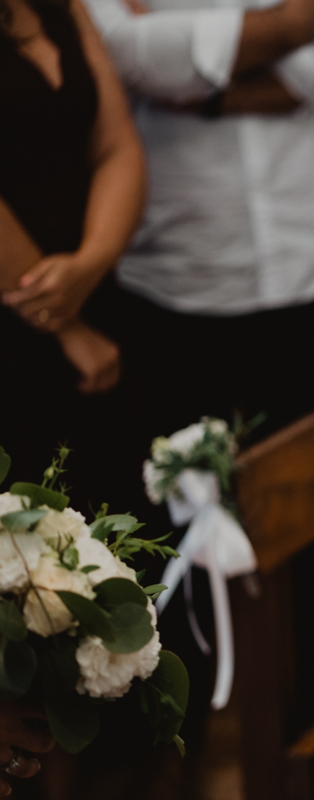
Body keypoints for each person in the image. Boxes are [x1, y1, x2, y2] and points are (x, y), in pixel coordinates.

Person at [81, 0, 314, 753]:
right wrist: (288, 26)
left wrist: (205, 87)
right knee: (178, 514)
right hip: (179, 266)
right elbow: (123, 51)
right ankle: (173, 724)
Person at [0, 0, 146, 511]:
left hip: (90, 290)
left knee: (114, 502)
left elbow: (117, 145)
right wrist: (64, 325)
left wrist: (92, 260)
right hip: (21, 312)